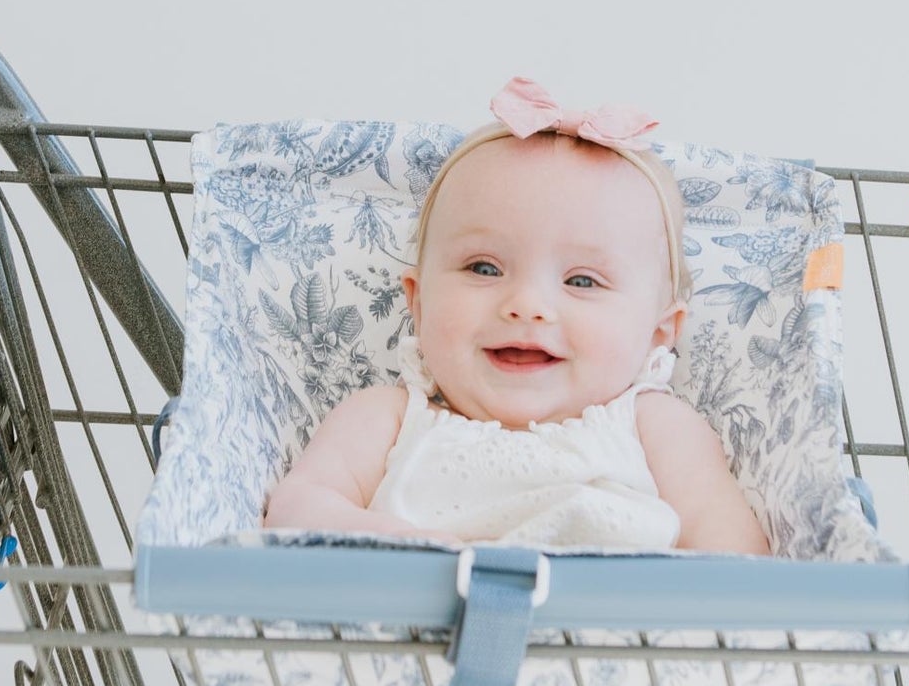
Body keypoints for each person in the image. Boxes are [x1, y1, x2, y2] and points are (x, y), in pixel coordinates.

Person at [262, 80, 773, 554]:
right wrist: (412, 548)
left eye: (581, 281)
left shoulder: (656, 428)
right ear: (417, 304)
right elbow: (295, 509)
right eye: (484, 268)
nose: (526, 305)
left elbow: (733, 552)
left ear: (659, 333)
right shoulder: (386, 419)